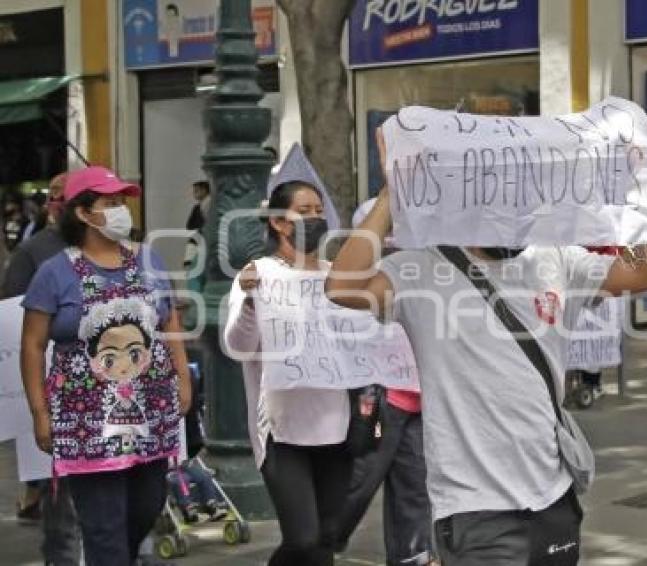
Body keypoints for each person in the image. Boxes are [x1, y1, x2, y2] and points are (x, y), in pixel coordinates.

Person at [325, 129, 647, 565]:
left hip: (553, 497)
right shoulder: (419, 269)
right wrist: (392, 196)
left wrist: (641, 191)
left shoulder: (554, 258)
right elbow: (341, 287)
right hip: (476, 510)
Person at [20, 165, 192, 566]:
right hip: (85, 423)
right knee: (104, 527)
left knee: (146, 507)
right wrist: (39, 412)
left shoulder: (148, 260)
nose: (120, 210)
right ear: (83, 213)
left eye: (121, 202)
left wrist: (182, 377)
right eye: (109, 203)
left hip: (150, 413)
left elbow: (170, 322)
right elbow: (32, 344)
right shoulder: (55, 272)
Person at [223, 180, 352, 566]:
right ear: (279, 223)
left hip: (336, 424)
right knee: (302, 537)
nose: (315, 218)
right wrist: (249, 302)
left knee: (326, 540)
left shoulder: (337, 277)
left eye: (319, 210)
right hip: (282, 428)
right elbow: (238, 347)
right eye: (305, 210)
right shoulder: (257, 274)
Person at [333, 198, 435, 566]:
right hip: (377, 400)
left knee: (416, 491)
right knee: (359, 482)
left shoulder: (424, 265)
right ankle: (317, 544)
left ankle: (412, 556)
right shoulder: (368, 280)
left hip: (421, 399)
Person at [3, 173, 82, 566]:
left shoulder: (114, 248)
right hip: (56, 387)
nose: (56, 202)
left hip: (106, 391)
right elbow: (13, 318)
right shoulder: (34, 252)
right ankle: (61, 556)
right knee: (61, 487)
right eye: (53, 196)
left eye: (63, 196)